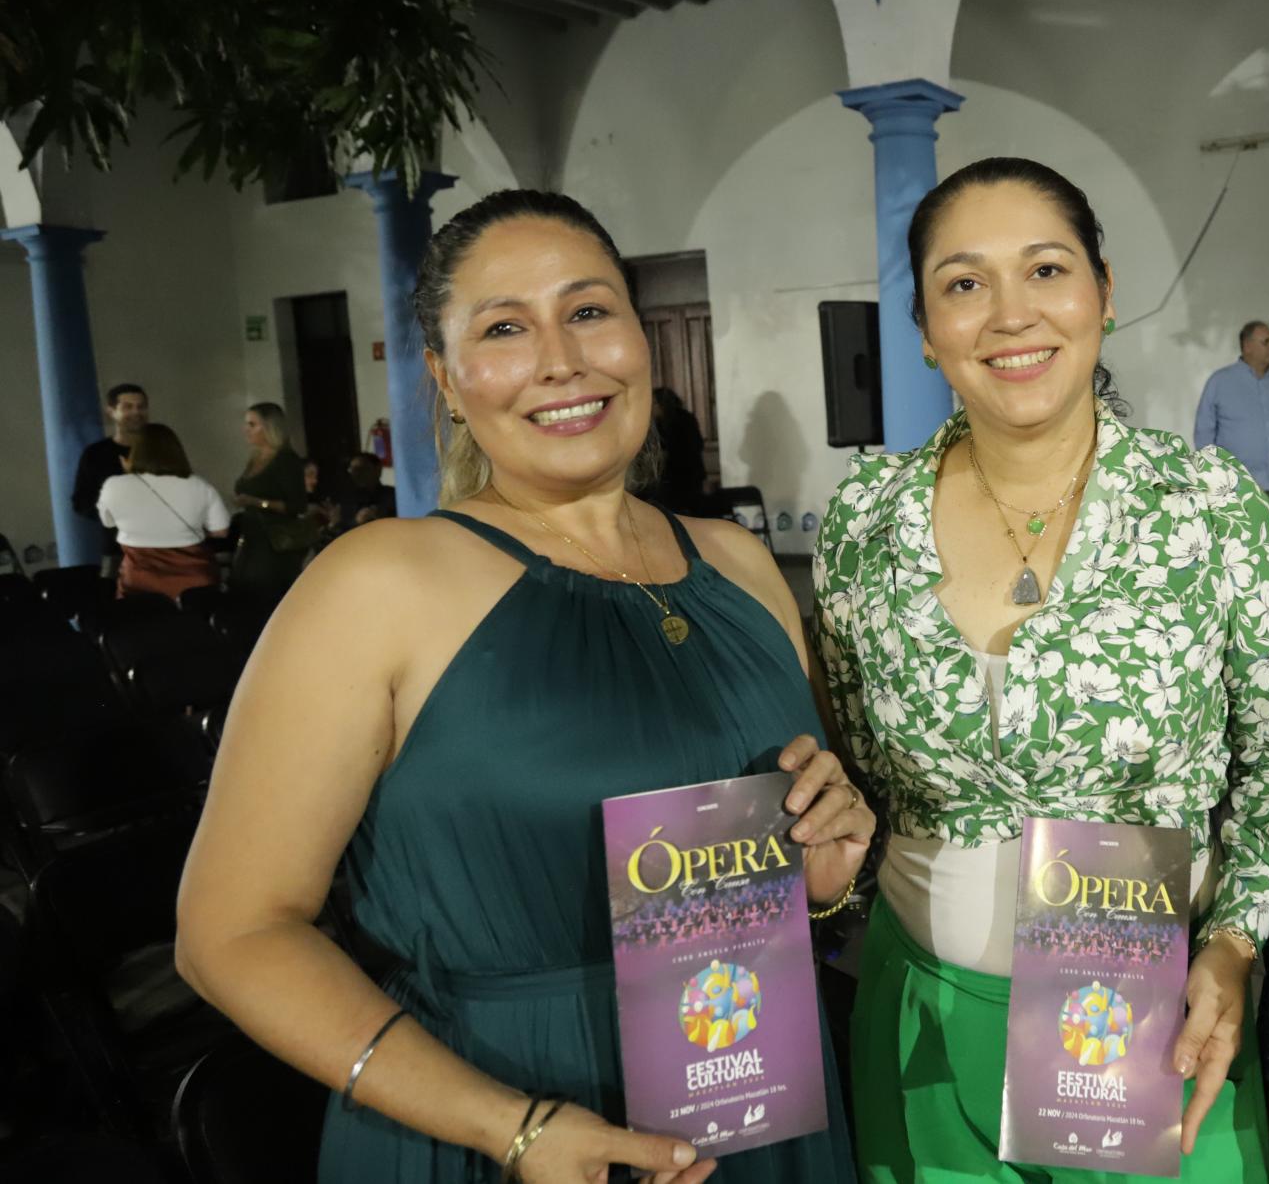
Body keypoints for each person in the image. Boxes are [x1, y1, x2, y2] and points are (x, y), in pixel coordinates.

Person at [175, 189, 866, 1184]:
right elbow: (228, 935)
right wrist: (513, 1126)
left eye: (588, 311)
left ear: (638, 339)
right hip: (496, 1122)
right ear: (447, 381)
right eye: (505, 327)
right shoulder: (379, 583)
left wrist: (818, 879)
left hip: (754, 1092)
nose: (560, 359)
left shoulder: (741, 567)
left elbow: (759, 879)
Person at [814, 157, 1269, 1181]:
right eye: (963, 283)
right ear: (921, 325)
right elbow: (863, 766)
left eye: (1045, 269)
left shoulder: (1211, 510)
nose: (1009, 315)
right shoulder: (862, 524)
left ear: (1102, 292)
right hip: (923, 1014)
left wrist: (1233, 942)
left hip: (1152, 1021)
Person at [1193, 320, 1269, 527]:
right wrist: (1218, 478)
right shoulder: (1220, 382)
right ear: (1247, 346)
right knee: (1243, 547)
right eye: (1266, 341)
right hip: (1238, 487)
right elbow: (1204, 434)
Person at [94, 423, 231, 599]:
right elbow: (221, 530)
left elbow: (108, 521)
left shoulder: (114, 485)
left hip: (139, 581)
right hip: (194, 581)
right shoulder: (199, 485)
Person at [229, 402, 311, 600]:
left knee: (267, 593)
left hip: (275, 540)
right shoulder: (255, 458)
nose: (246, 430)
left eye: (252, 425)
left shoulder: (286, 460)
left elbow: (297, 505)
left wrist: (258, 502)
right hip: (252, 536)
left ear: (269, 427)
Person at [71, 381, 149, 573]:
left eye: (141, 406)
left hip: (165, 546)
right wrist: (114, 516)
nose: (136, 412)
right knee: (115, 600)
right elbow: (81, 502)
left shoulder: (162, 449)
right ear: (111, 411)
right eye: (127, 407)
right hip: (118, 549)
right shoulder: (96, 454)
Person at [644, 387, 710, 515]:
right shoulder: (687, 418)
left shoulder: (665, 425)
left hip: (676, 479)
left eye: (653, 404)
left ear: (660, 404)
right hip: (691, 477)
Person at [337, 451, 398, 531]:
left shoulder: (393, 495)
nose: (357, 474)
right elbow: (342, 530)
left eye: (362, 469)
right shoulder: (348, 499)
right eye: (352, 470)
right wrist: (357, 521)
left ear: (378, 470)